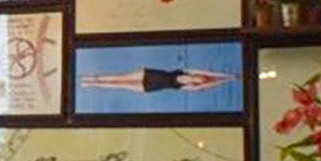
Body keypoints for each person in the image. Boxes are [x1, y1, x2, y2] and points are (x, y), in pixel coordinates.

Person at [79, 67, 237, 95]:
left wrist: (226, 80)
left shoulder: (186, 87)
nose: (197, 77)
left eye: (198, 80)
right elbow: (209, 73)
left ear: (197, 83)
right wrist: (225, 75)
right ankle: (91, 79)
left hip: (152, 87)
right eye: (198, 76)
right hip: (150, 74)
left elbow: (209, 84)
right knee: (119, 78)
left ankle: (91, 85)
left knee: (119, 86)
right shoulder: (187, 70)